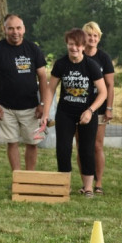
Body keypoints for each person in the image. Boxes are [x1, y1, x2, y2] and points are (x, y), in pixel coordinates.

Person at [45, 28, 107, 197]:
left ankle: (88, 188)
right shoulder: (60, 64)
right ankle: (64, 185)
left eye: (77, 45)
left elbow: (103, 92)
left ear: (83, 46)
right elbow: (50, 90)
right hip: (65, 113)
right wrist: (45, 113)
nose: (74, 48)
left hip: (86, 113)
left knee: (87, 149)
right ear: (67, 44)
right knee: (63, 149)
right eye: (71, 44)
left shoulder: (91, 65)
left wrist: (90, 110)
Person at [0, 14, 50, 172]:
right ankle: (17, 176)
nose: (15, 32)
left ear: (24, 29)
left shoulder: (33, 49)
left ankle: (30, 176)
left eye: (18, 28)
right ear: (4, 29)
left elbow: (43, 78)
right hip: (5, 107)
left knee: (32, 143)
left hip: (31, 107)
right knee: (12, 142)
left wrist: (42, 104)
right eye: (11, 28)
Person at [80, 22, 115, 194]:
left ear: (99, 38)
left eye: (95, 35)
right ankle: (84, 182)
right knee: (81, 145)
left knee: (96, 145)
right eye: (89, 35)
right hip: (79, 107)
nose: (92, 38)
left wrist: (109, 107)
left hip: (99, 108)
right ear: (83, 37)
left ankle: (98, 182)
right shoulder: (77, 55)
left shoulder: (104, 58)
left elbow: (110, 85)